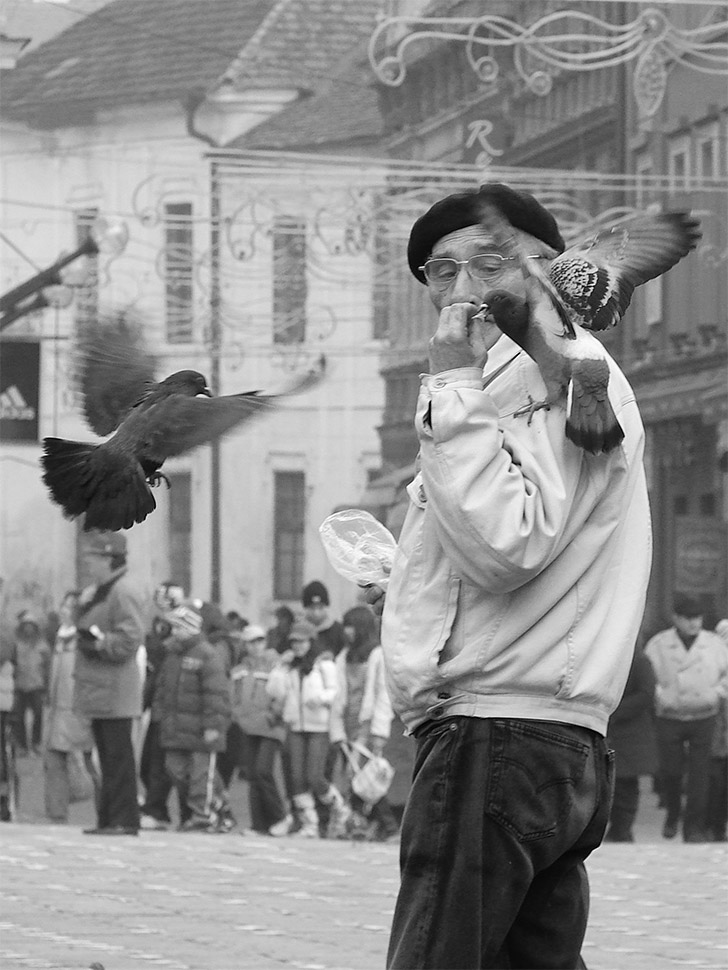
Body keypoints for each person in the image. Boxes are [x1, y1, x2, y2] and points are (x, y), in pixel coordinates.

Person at [363, 182, 652, 969]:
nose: (463, 290)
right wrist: (404, 586)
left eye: (490, 264)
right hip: (544, 736)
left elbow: (504, 545)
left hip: (499, 736)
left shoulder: (539, 380)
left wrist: (450, 384)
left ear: (545, 271)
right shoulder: (506, 381)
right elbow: (507, 548)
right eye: (441, 270)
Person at [74, 530, 147, 836]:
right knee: (106, 757)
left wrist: (99, 643)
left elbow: (131, 637)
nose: (86, 563)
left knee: (118, 758)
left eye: (91, 557)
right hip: (101, 690)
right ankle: (109, 818)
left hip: (115, 689)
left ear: (107, 558)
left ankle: (124, 819)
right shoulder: (101, 590)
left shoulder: (123, 591)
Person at [645, 596, 728, 842]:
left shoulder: (713, 644)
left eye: (698, 618)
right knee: (671, 771)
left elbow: (726, 674)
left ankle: (693, 828)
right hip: (671, 714)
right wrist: (661, 697)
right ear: (676, 619)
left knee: (700, 775)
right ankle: (673, 811)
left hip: (705, 713)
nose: (694, 623)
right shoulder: (659, 644)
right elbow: (649, 675)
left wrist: (717, 693)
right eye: (688, 618)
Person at [154, 602, 232, 832]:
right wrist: (160, 713)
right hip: (176, 727)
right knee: (175, 769)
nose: (173, 632)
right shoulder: (172, 655)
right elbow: (163, 688)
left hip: (201, 727)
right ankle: (219, 806)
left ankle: (203, 814)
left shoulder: (207, 655)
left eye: (177, 627)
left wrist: (213, 726)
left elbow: (216, 694)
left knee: (201, 774)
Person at [266, 618, 345, 837]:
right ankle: (309, 823)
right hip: (295, 726)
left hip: (318, 727)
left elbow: (335, 692)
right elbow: (274, 692)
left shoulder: (324, 665)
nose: (298, 646)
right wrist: (280, 667)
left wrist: (319, 699)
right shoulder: (289, 667)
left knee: (315, 776)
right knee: (297, 778)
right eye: (294, 642)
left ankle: (340, 809)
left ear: (311, 641)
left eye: (302, 642)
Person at [329, 605, 397, 840]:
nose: (346, 631)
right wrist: (337, 732)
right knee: (355, 776)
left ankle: (386, 826)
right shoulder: (343, 657)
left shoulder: (377, 655)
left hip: (366, 725)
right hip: (348, 725)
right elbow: (338, 698)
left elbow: (383, 694)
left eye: (351, 626)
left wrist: (379, 732)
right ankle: (364, 824)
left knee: (363, 776)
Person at [43, 591, 99, 823]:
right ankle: (56, 815)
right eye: (63, 605)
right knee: (54, 762)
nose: (64, 610)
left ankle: (106, 811)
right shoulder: (59, 636)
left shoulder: (85, 638)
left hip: (78, 710)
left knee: (86, 764)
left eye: (69, 607)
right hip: (56, 711)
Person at [231, 623, 291, 835]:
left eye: (260, 641)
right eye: (251, 642)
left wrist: (273, 714)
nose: (256, 646)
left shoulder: (275, 664)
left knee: (264, 771)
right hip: (248, 727)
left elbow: (282, 691)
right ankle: (259, 824)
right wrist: (238, 715)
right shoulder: (241, 668)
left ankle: (280, 816)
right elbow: (234, 696)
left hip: (270, 726)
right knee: (253, 775)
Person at [139, 582, 184, 831]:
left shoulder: (178, 635)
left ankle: (156, 809)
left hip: (171, 710)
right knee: (146, 765)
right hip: (157, 707)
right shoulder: (158, 632)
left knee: (160, 765)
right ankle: (159, 811)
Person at [604, 644, 657, 841]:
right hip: (608, 727)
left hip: (630, 731)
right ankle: (617, 829)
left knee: (626, 783)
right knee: (609, 783)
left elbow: (646, 693)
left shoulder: (639, 659)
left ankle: (622, 829)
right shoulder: (604, 655)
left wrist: (615, 711)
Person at [12, 610, 51, 755]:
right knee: (19, 716)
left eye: (31, 625)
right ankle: (21, 745)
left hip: (37, 685)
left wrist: (47, 687)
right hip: (20, 685)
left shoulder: (42, 645)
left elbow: (48, 666)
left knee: (39, 715)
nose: (28, 628)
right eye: (25, 625)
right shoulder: (16, 643)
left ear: (35, 627)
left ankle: (36, 743)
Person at [705, 618, 728, 841]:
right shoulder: (714, 659)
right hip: (715, 733)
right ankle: (714, 826)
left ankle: (717, 827)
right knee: (715, 783)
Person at [301, 581, 346, 658]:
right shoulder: (298, 629)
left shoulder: (338, 630)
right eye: (312, 608)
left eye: (320, 608)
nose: (316, 613)